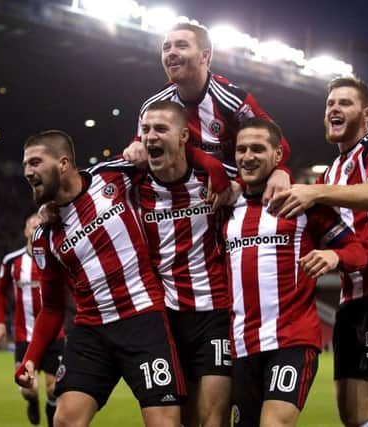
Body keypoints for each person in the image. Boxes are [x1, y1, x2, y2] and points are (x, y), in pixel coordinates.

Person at [270, 77, 368, 427]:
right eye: (330, 104)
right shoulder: (333, 168)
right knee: (353, 409)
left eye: (345, 103)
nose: (334, 109)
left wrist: (317, 193)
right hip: (351, 293)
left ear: (367, 113)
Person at [16, 130, 190, 427]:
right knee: (65, 420)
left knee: (165, 423)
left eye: (35, 163)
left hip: (143, 320)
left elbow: (173, 158)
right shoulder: (45, 235)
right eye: (25, 165)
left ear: (63, 163)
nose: (27, 172)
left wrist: (140, 148)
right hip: (92, 331)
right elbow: (54, 307)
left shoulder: (111, 175)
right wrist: (31, 357)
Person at [224, 117, 367, 427]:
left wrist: (334, 254)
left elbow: (358, 253)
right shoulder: (227, 207)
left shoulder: (304, 204)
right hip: (241, 344)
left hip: (291, 339)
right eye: (241, 149)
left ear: (278, 156)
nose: (248, 157)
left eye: (258, 149)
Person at [138, 100, 233, 427]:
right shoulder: (132, 184)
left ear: (183, 137)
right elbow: (80, 188)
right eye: (146, 129)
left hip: (216, 310)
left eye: (161, 128)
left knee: (214, 420)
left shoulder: (212, 178)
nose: (151, 136)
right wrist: (50, 210)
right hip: (165, 317)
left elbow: (265, 169)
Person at [124, 22, 291, 205]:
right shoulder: (153, 108)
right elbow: (142, 147)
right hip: (183, 205)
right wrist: (135, 147)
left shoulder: (233, 100)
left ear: (205, 55)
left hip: (232, 196)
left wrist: (281, 171)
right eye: (166, 47)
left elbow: (278, 142)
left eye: (181, 46)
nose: (171, 52)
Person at [0, 213, 66, 427]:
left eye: (39, 225)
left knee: (53, 387)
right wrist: (0, 322)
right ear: (25, 231)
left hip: (54, 334)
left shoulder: (55, 257)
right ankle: (32, 402)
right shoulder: (12, 261)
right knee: (27, 388)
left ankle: (51, 416)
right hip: (24, 335)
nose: (35, 229)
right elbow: (0, 293)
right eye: (32, 226)